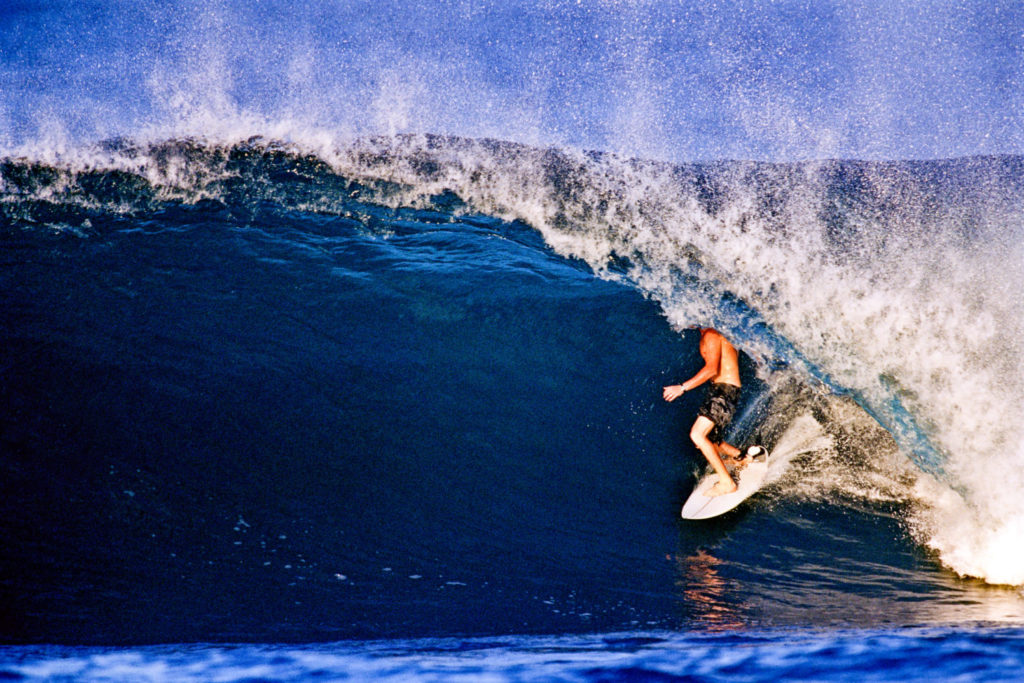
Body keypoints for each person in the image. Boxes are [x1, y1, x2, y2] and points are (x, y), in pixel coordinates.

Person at [662, 328, 744, 496]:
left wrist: (682, 388)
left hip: (725, 390)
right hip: (721, 390)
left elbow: (712, 369)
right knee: (705, 440)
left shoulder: (711, 335)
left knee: (697, 435)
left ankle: (727, 483)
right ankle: (740, 457)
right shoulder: (714, 333)